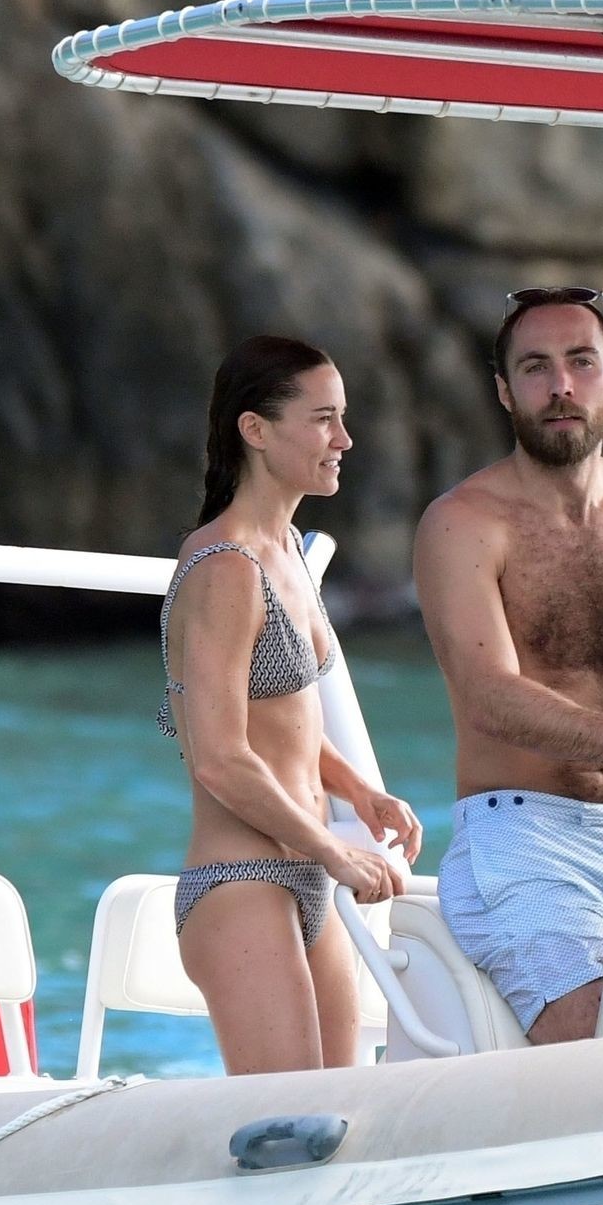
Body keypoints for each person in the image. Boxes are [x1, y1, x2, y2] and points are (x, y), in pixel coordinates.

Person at [414, 287, 603, 1044]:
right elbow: (488, 695)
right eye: (535, 367)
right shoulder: (463, 523)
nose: (561, 385)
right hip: (522, 844)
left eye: (580, 362)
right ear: (505, 391)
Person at [158, 335, 423, 1074]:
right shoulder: (224, 566)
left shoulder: (289, 554)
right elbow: (220, 756)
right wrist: (333, 848)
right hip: (241, 881)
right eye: (323, 419)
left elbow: (284, 721)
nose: (344, 439)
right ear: (256, 429)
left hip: (306, 875)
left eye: (343, 418)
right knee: (291, 1117)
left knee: (337, 1110)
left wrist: (359, 792)